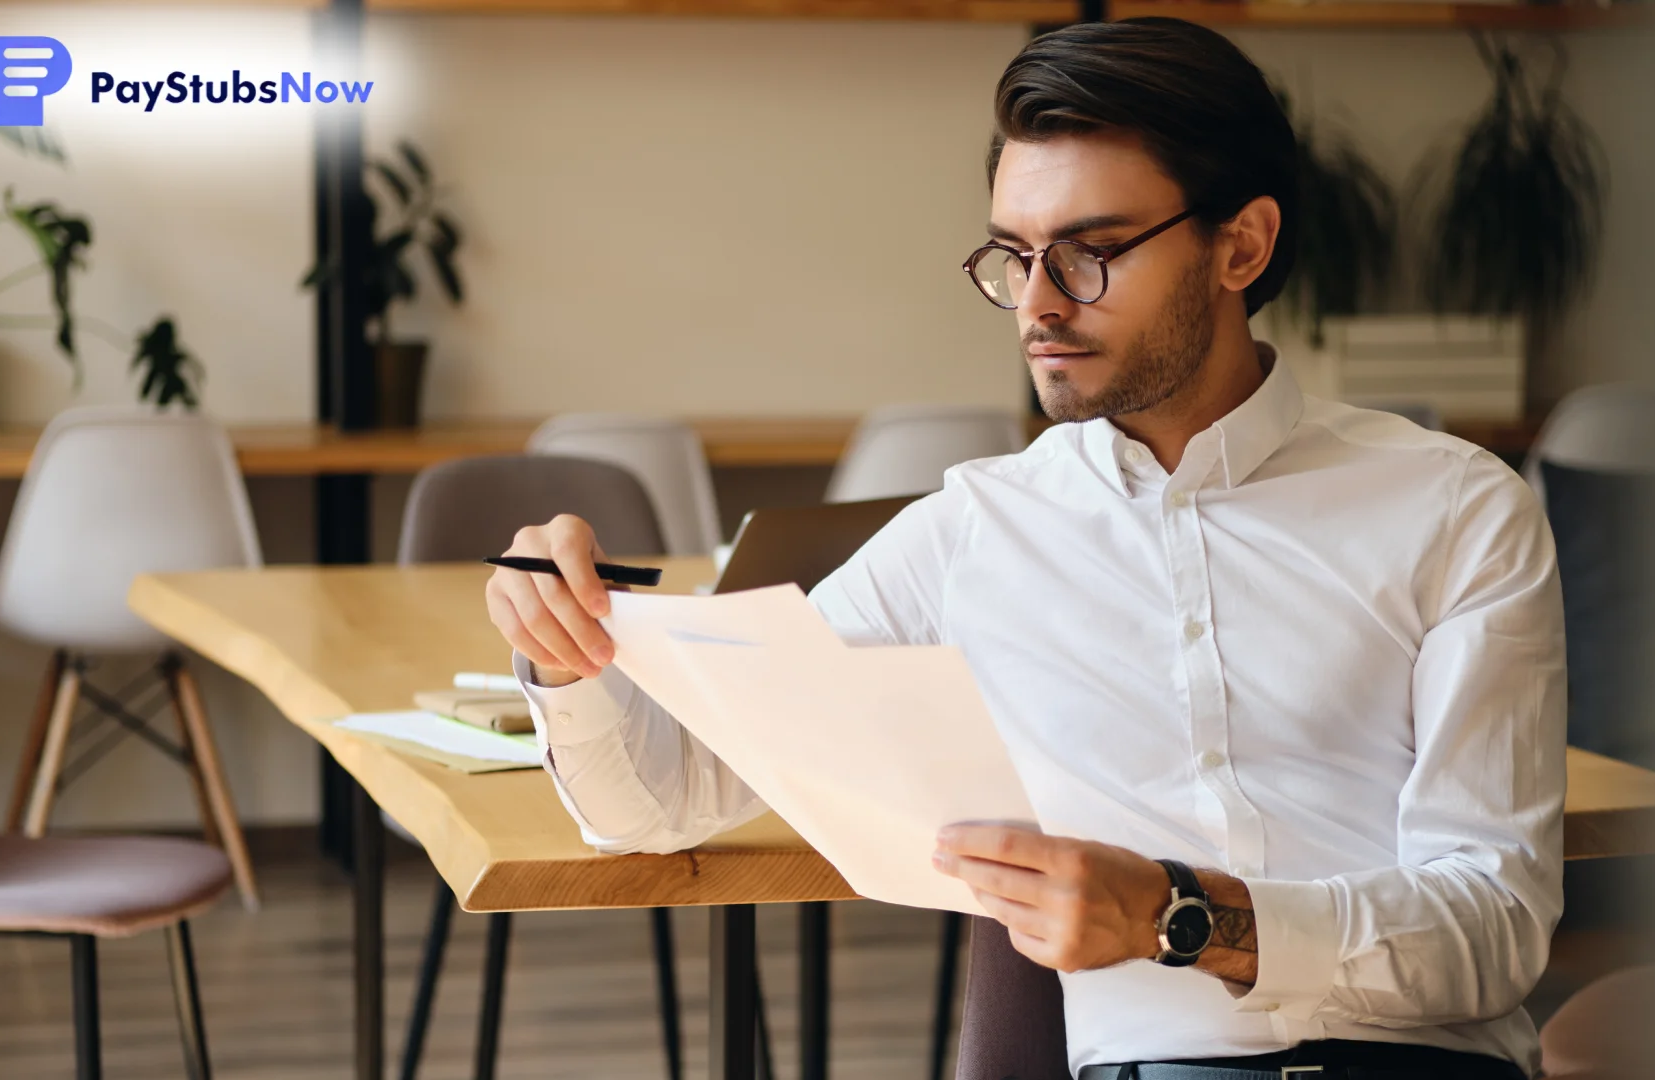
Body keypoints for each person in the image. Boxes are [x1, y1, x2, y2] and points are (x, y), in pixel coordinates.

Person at [485, 17, 1563, 1080]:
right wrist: (560, 648)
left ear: (1242, 245)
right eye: (1016, 257)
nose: (1039, 305)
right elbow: (662, 801)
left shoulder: (1458, 510)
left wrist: (1184, 918)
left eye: (1091, 254)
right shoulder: (970, 535)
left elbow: (1497, 928)